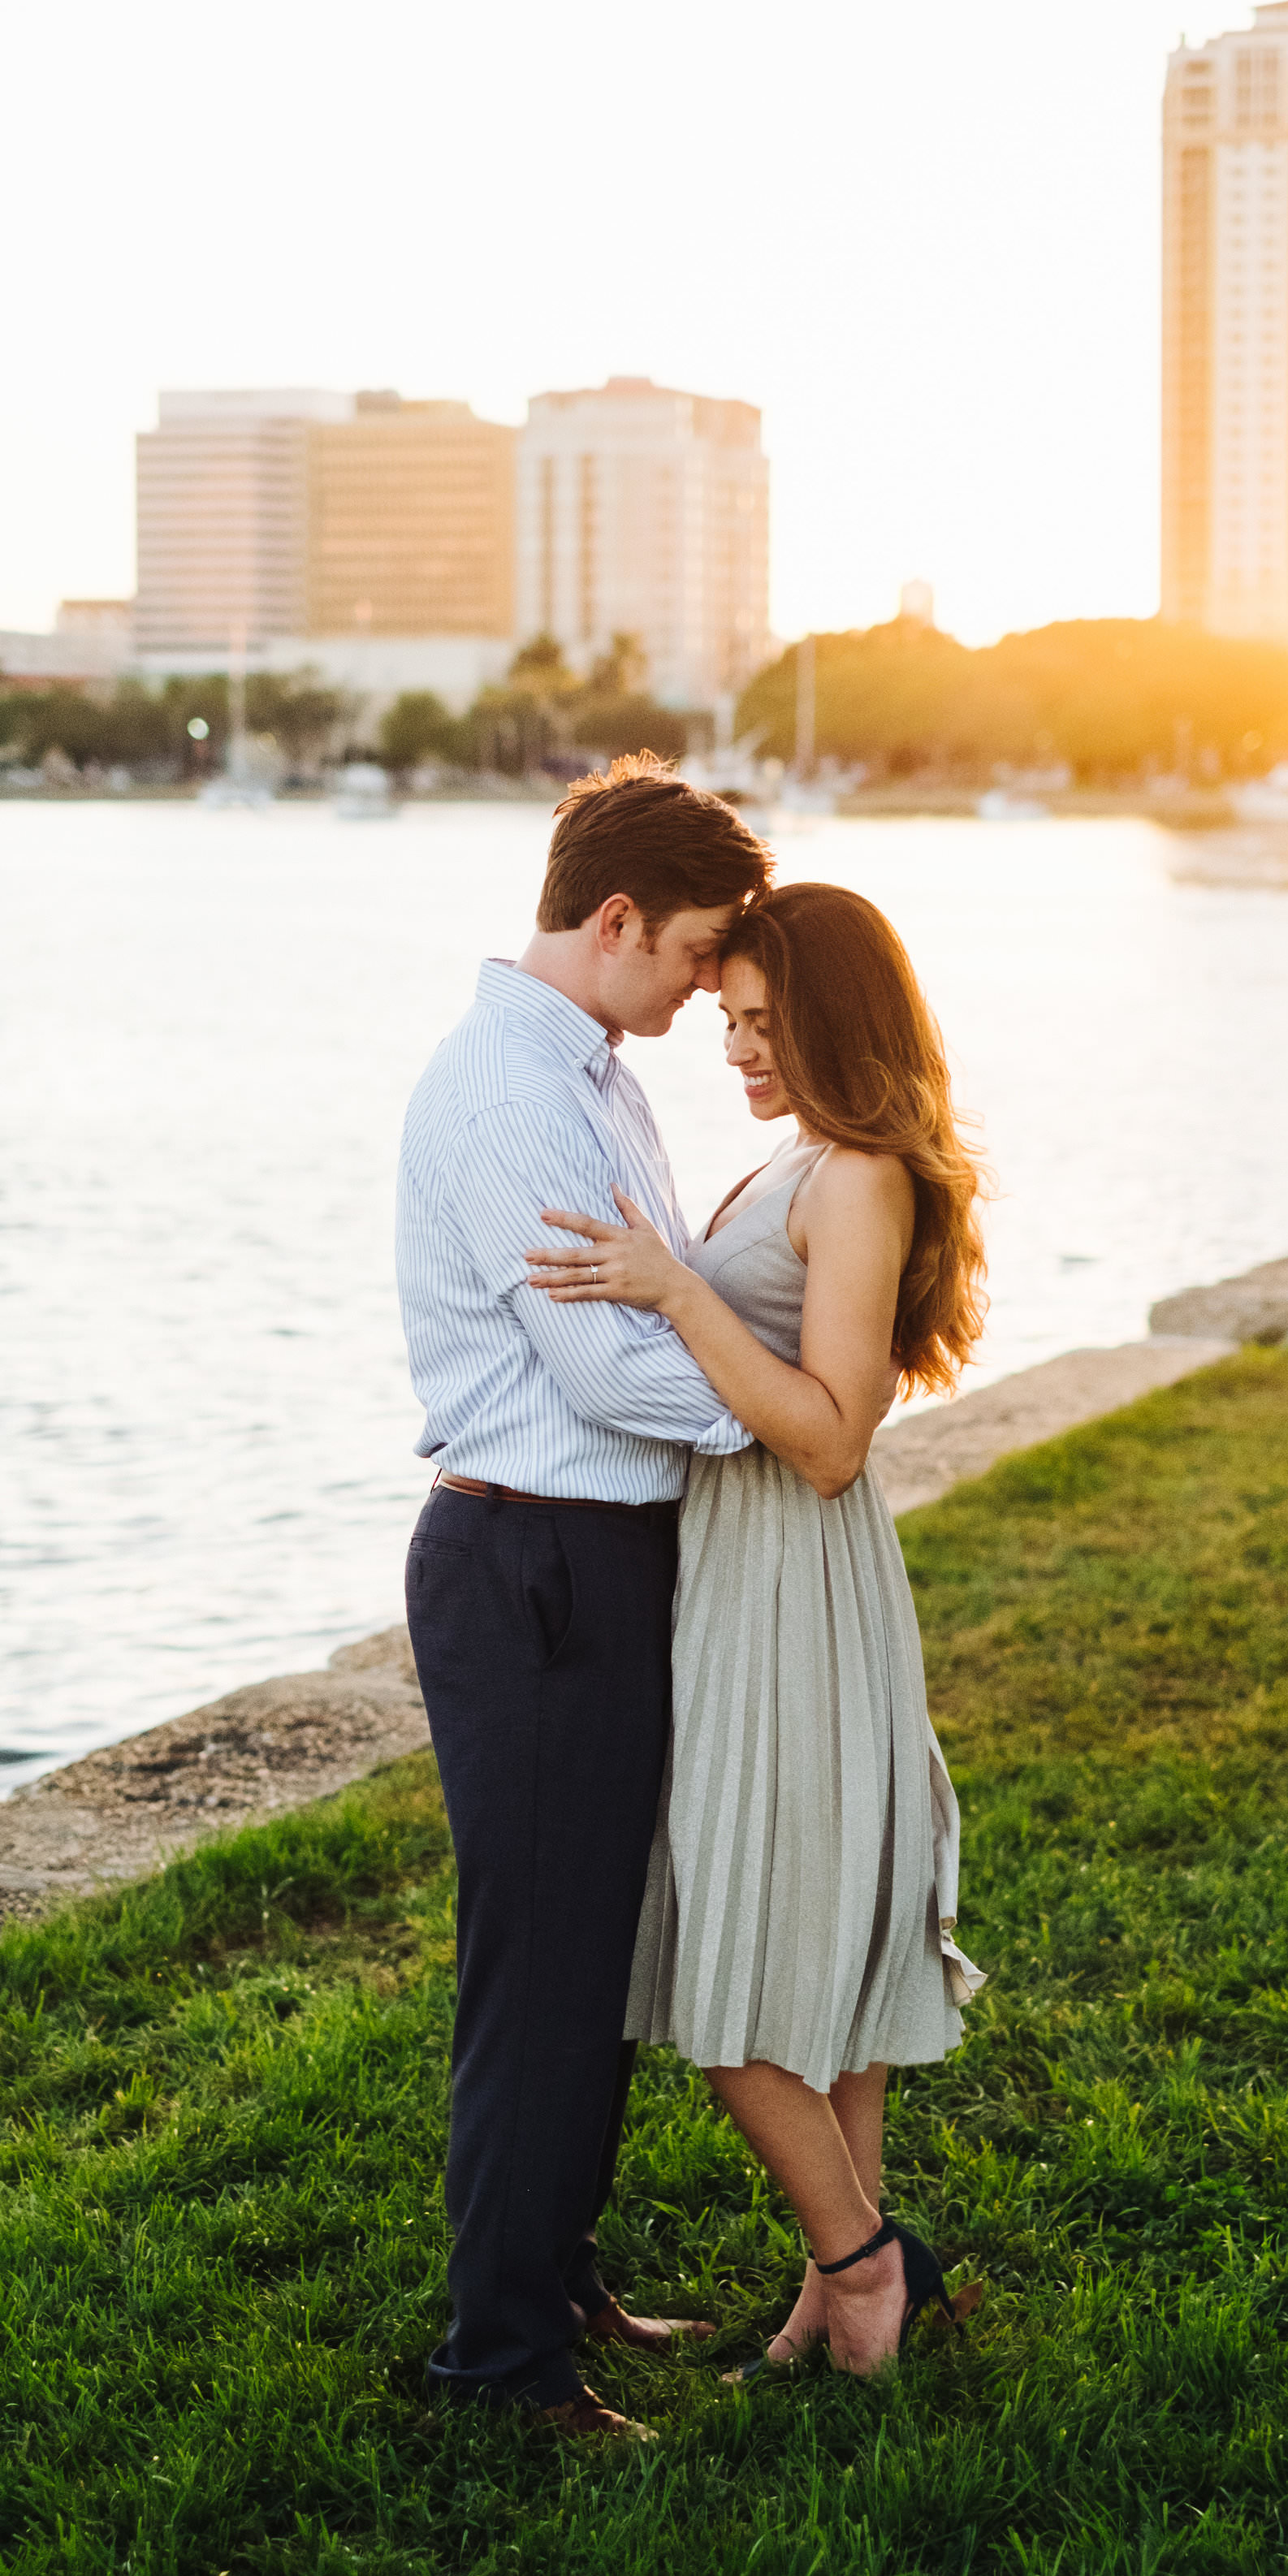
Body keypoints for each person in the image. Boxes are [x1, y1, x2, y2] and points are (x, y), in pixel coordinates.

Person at [525, 879, 988, 2378]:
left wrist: (668, 1287)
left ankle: (864, 2275)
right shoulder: (799, 1163)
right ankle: (842, 2297)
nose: (736, 1050)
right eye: (728, 1023)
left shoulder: (857, 1177)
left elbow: (832, 1433)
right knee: (817, 1985)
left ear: (841, 1022)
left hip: (796, 1581)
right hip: (746, 1576)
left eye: (768, 1025)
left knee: (737, 1995)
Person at [396, 754, 773, 2443]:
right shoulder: (506, 1091)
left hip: (596, 1554)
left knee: (592, 1957)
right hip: (531, 1555)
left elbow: (660, 1296)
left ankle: (553, 2280)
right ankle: (501, 2363)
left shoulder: (594, 1068)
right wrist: (793, 1421)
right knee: (537, 1971)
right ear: (617, 919)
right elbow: (611, 1369)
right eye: (696, 952)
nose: (710, 991)